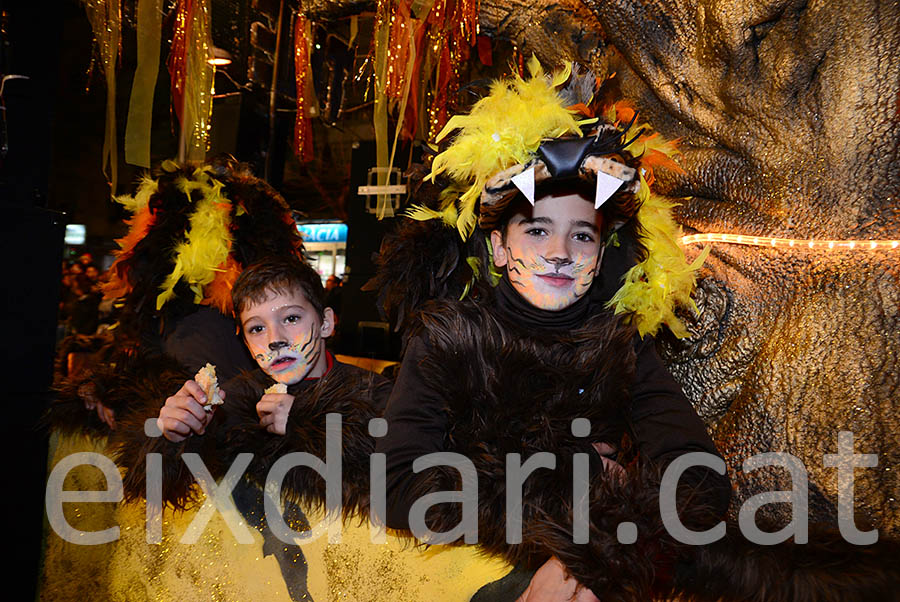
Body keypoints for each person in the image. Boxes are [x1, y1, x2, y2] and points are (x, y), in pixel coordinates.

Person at [372, 61, 731, 601]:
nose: (560, 254)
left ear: (601, 251)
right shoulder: (447, 341)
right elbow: (396, 488)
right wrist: (576, 485)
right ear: (497, 247)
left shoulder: (621, 346)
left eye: (582, 236)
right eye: (538, 229)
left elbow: (701, 478)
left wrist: (599, 553)